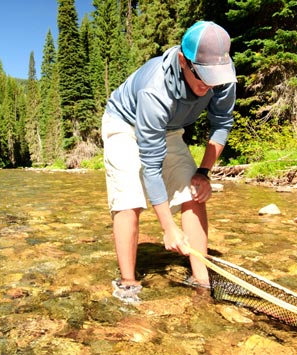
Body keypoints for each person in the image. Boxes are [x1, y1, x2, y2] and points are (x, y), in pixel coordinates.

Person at [101, 21, 237, 304]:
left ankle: (201, 281)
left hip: (170, 128)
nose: (208, 84)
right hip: (124, 122)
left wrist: (203, 172)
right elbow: (150, 165)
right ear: (182, 61)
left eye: (213, 76)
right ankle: (128, 284)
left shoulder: (223, 74)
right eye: (201, 74)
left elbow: (222, 123)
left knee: (193, 191)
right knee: (129, 199)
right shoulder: (156, 88)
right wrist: (167, 227)